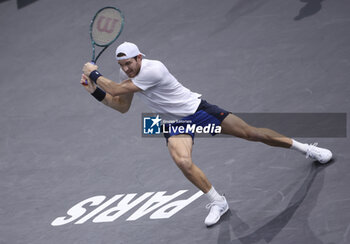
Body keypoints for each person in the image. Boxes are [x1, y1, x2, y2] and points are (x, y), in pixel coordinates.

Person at [80, 42, 333, 227]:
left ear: (140, 57)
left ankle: (305, 148)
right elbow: (121, 105)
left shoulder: (153, 69)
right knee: (183, 162)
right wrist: (95, 91)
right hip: (171, 123)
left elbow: (113, 87)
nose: (126, 68)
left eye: (129, 63)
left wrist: (93, 72)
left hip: (198, 111)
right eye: (122, 65)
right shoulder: (126, 74)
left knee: (252, 134)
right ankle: (217, 201)